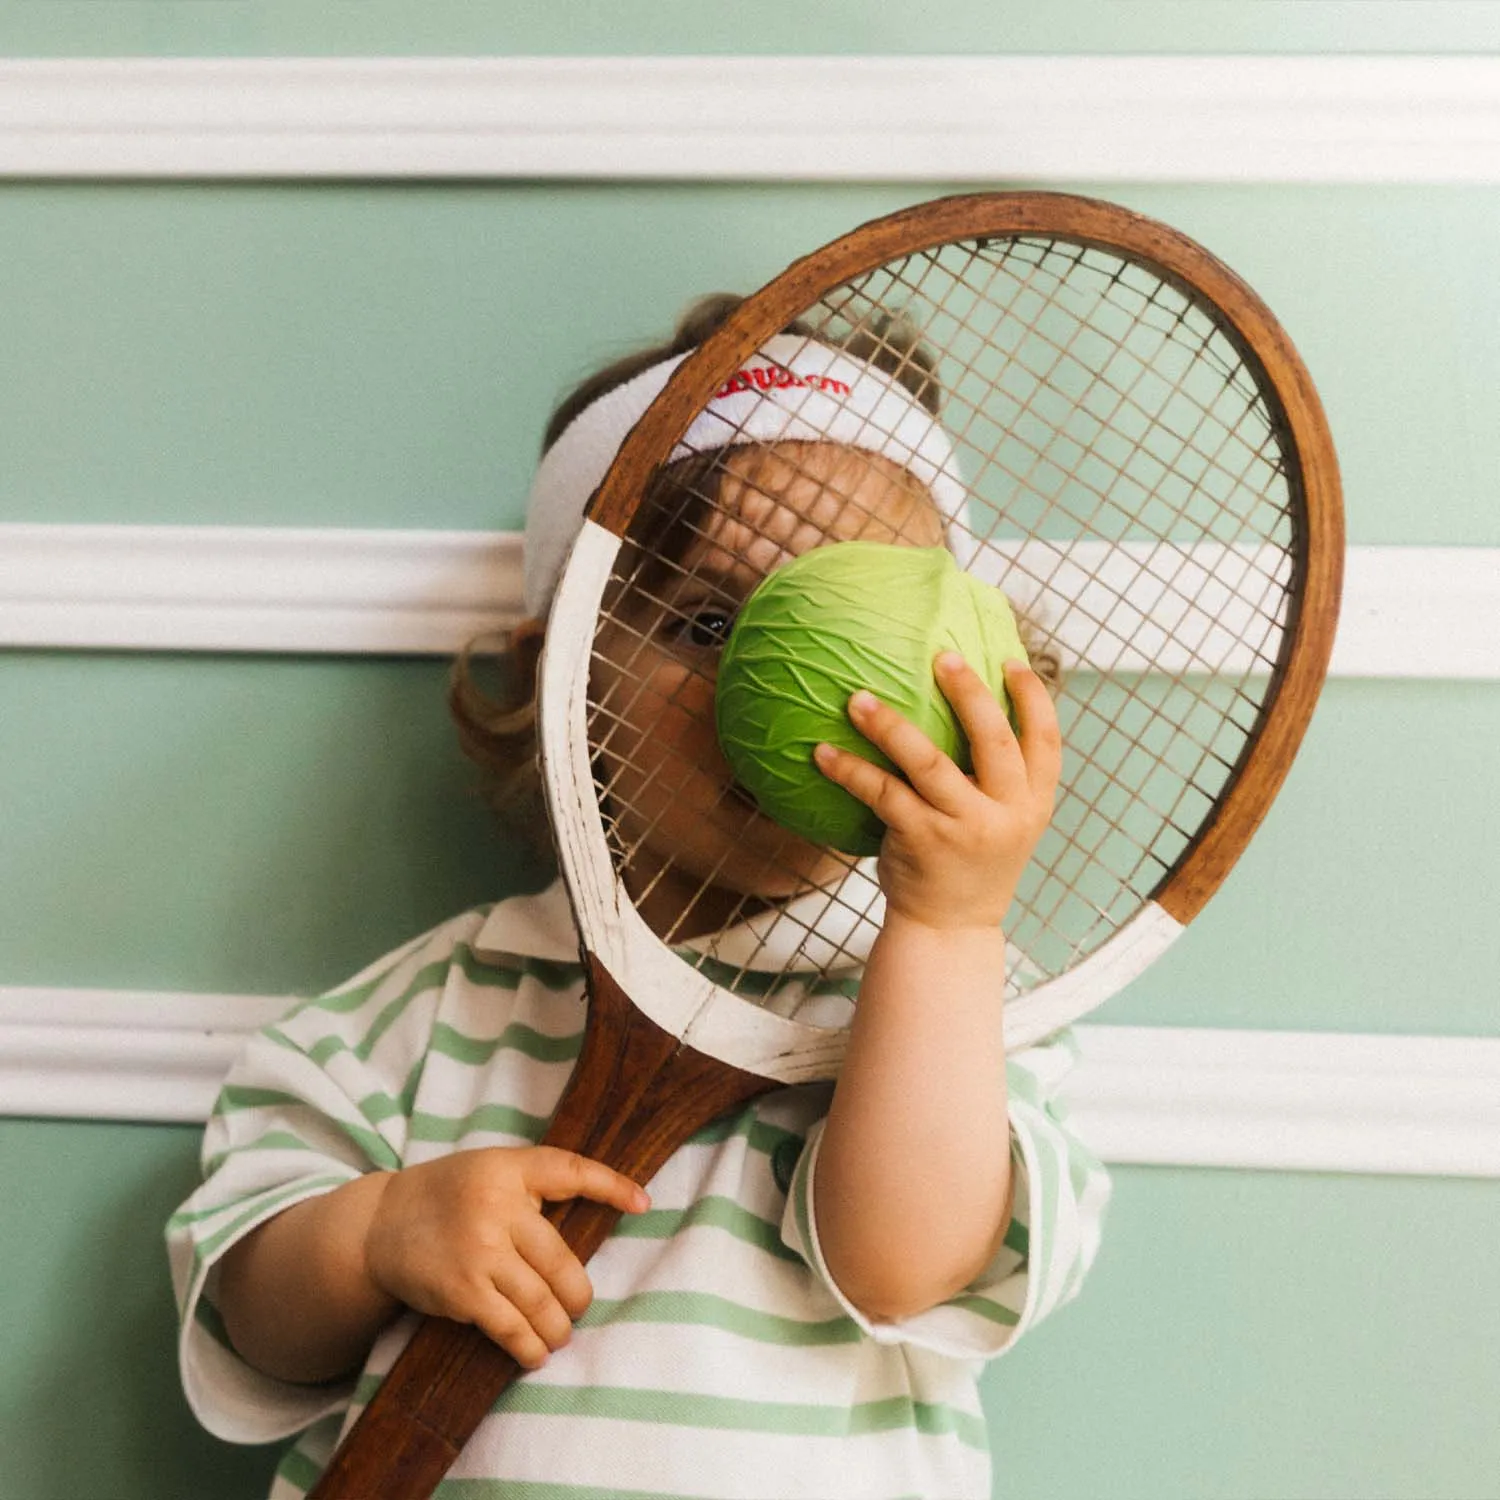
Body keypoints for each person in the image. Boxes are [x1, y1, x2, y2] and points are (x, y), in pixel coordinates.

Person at [167, 294, 1110, 1499]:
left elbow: (902, 1264)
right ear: (558, 672)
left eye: (849, 624)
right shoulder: (420, 1013)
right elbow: (253, 1315)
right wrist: (378, 1236)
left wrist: (944, 926)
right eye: (708, 620)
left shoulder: (963, 1016)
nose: (783, 691)